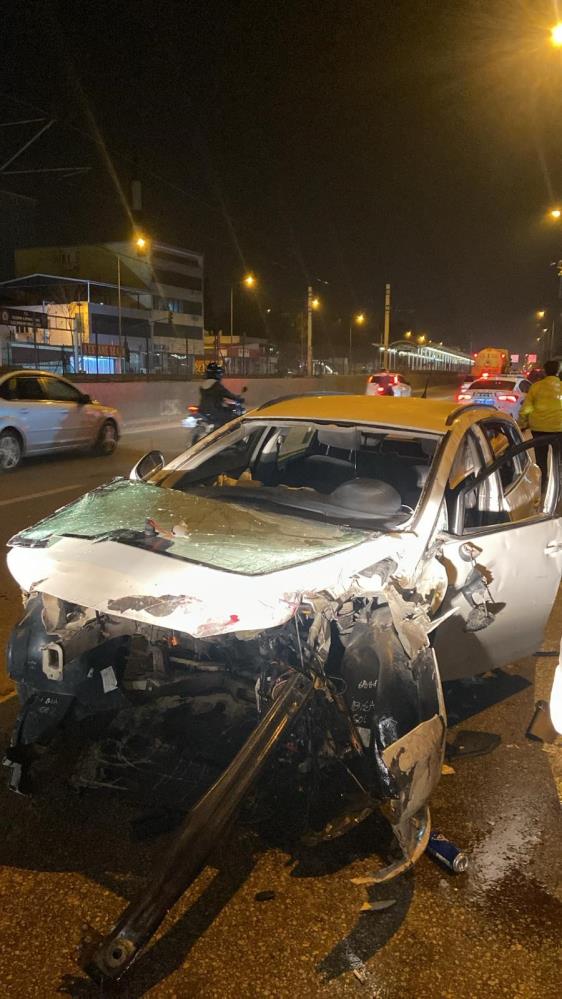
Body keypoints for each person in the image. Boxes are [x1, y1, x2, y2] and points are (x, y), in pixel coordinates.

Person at [519, 359, 562, 484]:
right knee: (559, 458)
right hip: (559, 429)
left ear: (545, 372)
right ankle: (558, 482)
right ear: (558, 372)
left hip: (539, 429)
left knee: (541, 458)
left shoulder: (536, 387)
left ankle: (543, 483)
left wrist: (523, 423)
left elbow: (526, 408)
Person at [199, 362, 243, 427]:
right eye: (220, 374)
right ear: (217, 374)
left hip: (203, 410)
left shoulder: (203, 384)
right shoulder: (216, 385)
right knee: (233, 419)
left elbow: (212, 397)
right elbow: (228, 394)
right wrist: (239, 399)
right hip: (215, 410)